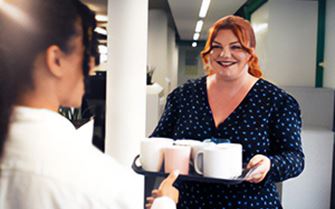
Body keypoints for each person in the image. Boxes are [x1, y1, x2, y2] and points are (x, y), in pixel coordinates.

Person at [0, 0, 178, 208]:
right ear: (56, 60)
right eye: (88, 53)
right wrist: (165, 202)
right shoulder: (103, 182)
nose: (92, 67)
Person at [151, 15, 304, 208]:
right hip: (189, 202)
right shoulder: (183, 96)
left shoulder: (277, 102)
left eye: (236, 47)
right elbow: (159, 141)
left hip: (251, 204)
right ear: (209, 51)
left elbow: (295, 158)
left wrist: (269, 164)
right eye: (217, 46)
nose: (224, 54)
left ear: (250, 52)